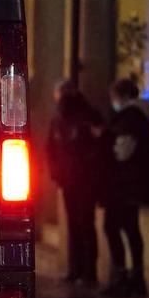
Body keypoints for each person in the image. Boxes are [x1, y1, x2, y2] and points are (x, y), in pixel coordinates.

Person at [99, 78, 149, 298]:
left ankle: (123, 276)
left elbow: (122, 152)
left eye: (113, 96)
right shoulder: (137, 118)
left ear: (123, 97)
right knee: (130, 229)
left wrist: (104, 145)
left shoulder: (130, 119)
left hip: (124, 186)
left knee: (113, 226)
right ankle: (135, 277)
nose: (112, 101)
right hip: (131, 185)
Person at [46, 78, 103, 285]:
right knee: (78, 224)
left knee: (82, 224)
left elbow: (53, 149)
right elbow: (51, 149)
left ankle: (85, 271)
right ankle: (79, 270)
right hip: (73, 179)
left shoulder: (82, 116)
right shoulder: (62, 118)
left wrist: (59, 174)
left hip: (80, 179)